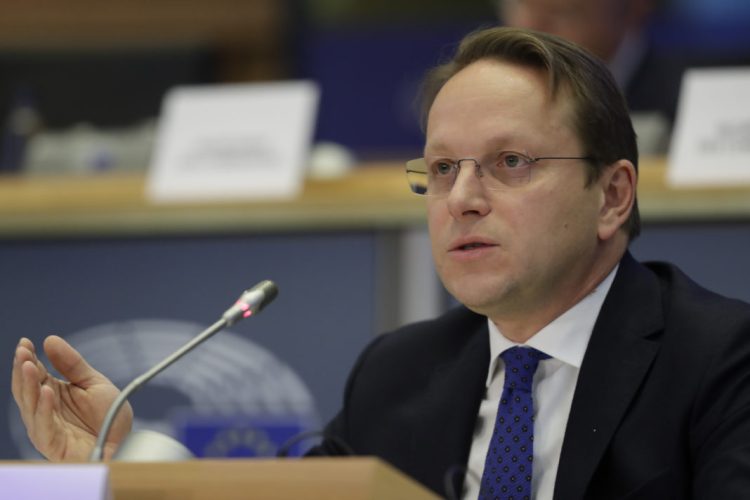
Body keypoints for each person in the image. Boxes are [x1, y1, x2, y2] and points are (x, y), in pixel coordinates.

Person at [12, 27, 750, 499]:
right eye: (441, 168)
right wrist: (126, 453)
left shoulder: (720, 361)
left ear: (613, 196)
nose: (461, 198)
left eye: (511, 162)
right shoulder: (401, 375)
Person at [497, 0, 685, 132]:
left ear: (633, 8)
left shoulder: (684, 102)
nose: (529, 27)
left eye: (562, 11)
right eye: (521, 3)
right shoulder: (491, 97)